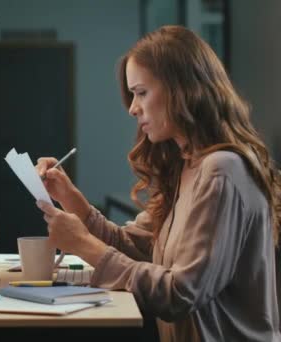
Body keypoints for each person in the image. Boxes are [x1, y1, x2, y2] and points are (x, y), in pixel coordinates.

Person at [36, 25, 281, 341]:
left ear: (181, 89)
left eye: (141, 92)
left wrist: (83, 244)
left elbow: (179, 294)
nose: (132, 108)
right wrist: (73, 201)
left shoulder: (221, 170)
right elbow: (139, 249)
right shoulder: (188, 165)